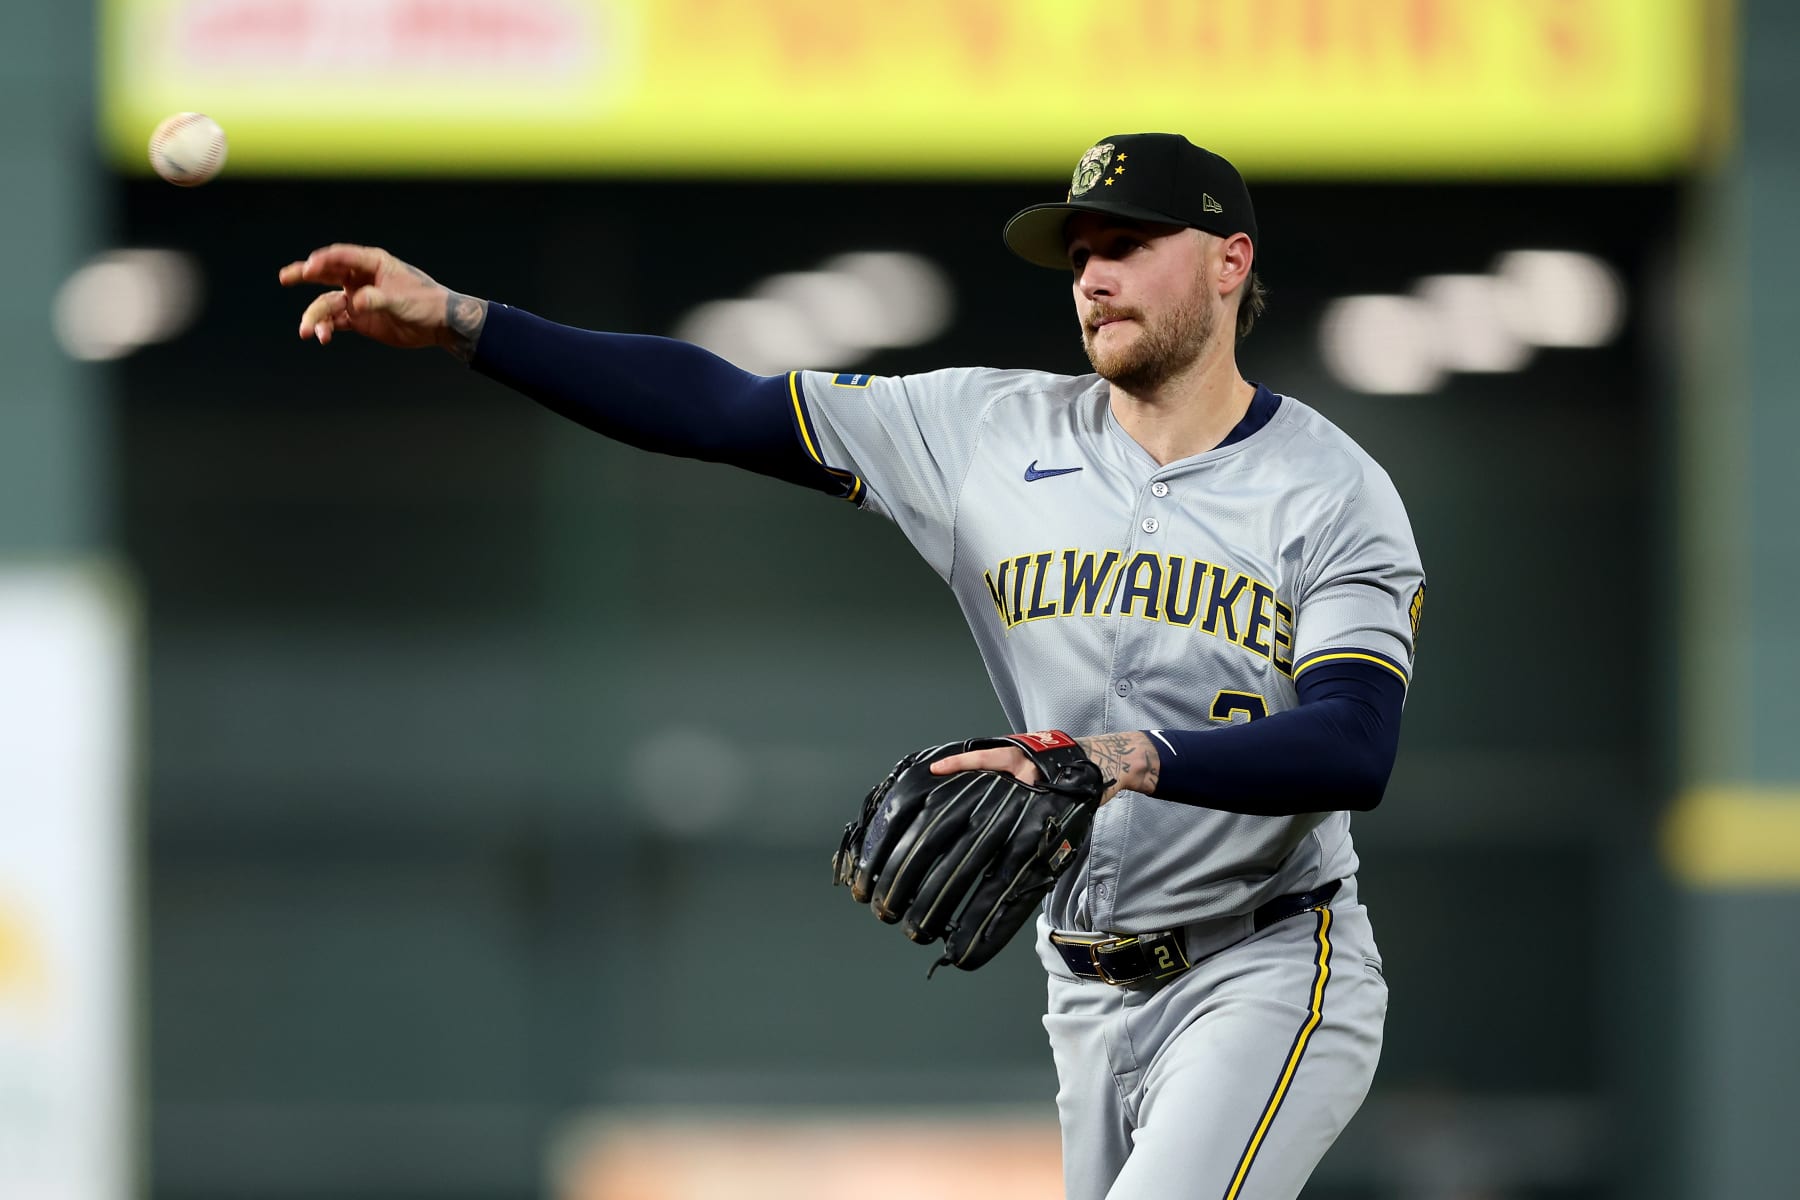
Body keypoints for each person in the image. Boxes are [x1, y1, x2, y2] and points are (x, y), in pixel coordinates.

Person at [279, 132, 1424, 1200]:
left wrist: (1116, 760)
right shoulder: (987, 432)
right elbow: (719, 408)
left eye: (1128, 245)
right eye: (1081, 254)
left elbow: (1353, 742)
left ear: (1230, 263)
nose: (1093, 276)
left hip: (1267, 963)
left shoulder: (1330, 490)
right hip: (1081, 987)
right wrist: (466, 322)